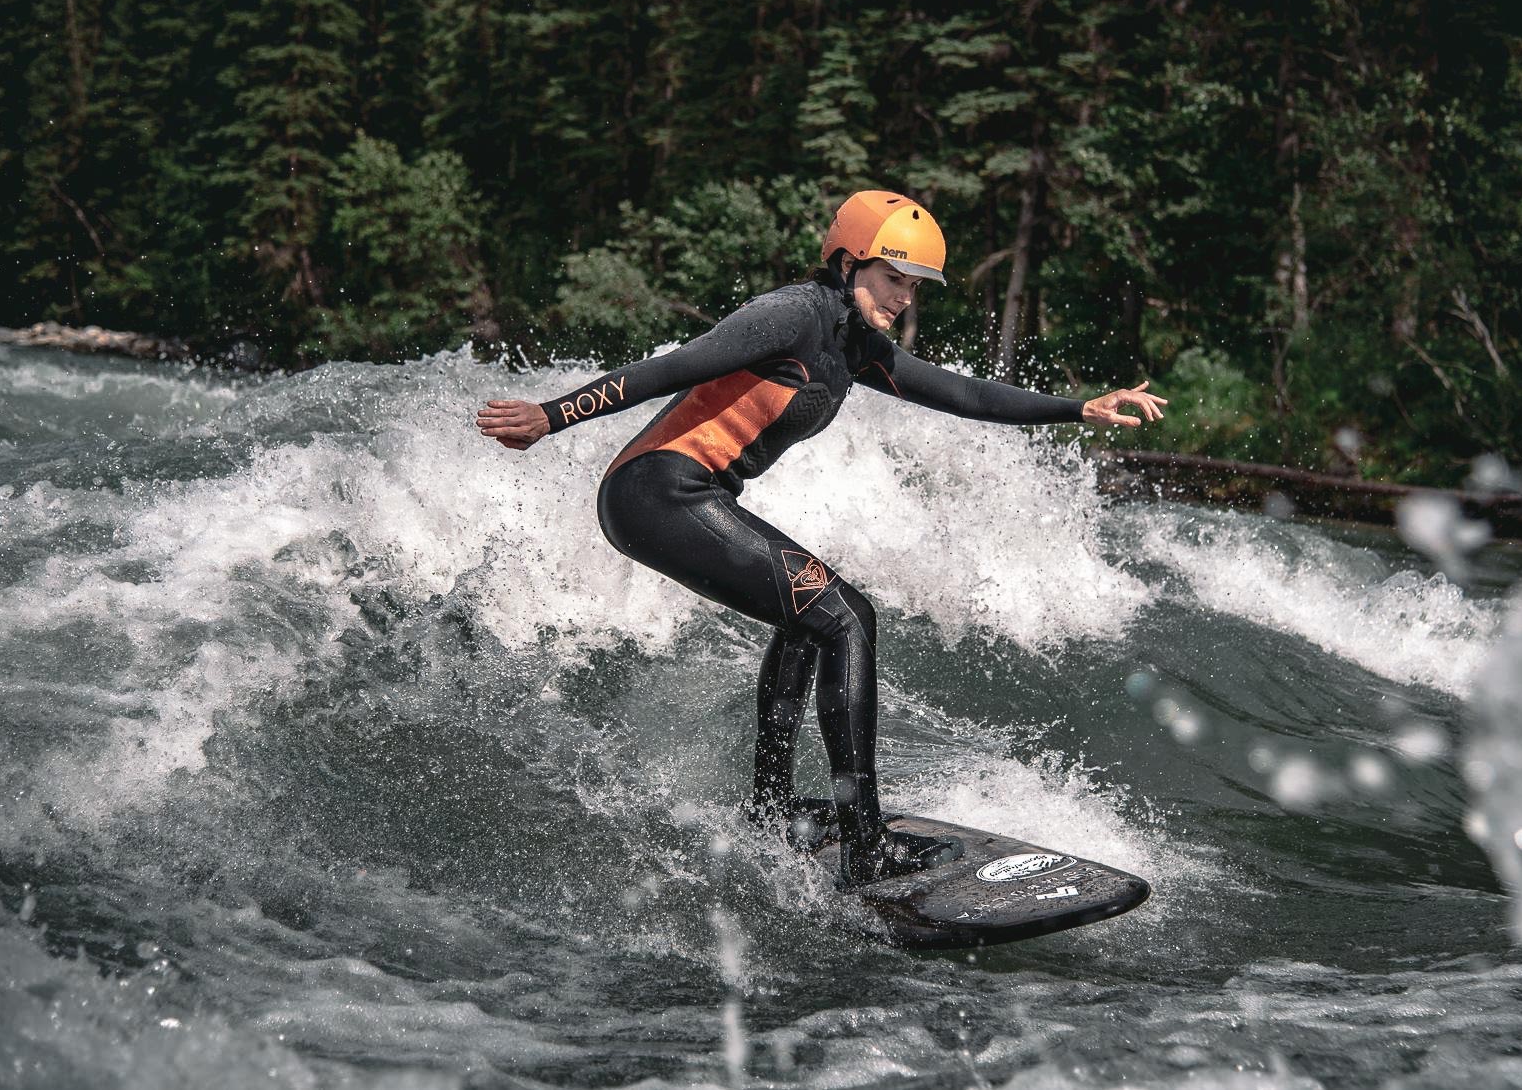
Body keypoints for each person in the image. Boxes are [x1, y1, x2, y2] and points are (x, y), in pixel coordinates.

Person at [476, 190, 1167, 887]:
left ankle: (771, 810)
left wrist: (1080, 408)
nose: (903, 297)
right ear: (845, 261)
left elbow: (962, 394)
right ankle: (865, 846)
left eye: (914, 286)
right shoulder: (791, 314)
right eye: (893, 278)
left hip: (688, 496)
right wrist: (551, 415)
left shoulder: (854, 344)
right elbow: (675, 367)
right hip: (655, 493)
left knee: (812, 621)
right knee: (847, 616)